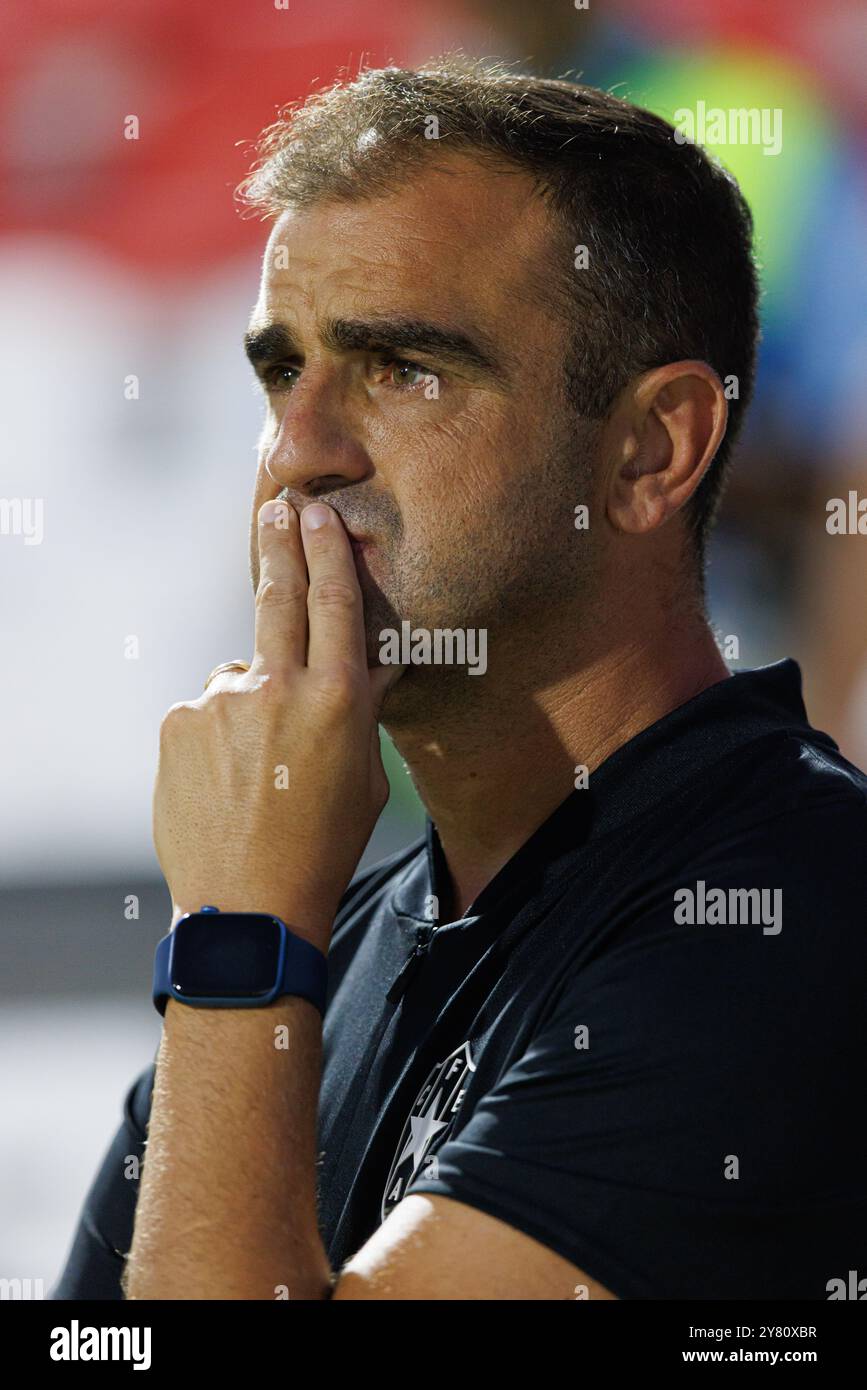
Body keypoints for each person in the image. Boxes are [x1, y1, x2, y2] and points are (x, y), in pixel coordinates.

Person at [52, 57, 866, 1301]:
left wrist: (238, 947)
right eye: (282, 372)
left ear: (654, 449)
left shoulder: (793, 909)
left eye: (402, 369)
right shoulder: (317, 933)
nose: (295, 456)